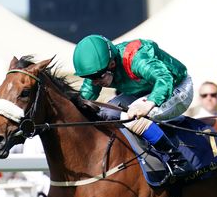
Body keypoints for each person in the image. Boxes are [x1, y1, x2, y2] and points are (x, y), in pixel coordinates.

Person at [73, 34, 194, 178]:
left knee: (129, 117)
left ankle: (177, 160)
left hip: (176, 87)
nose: (93, 82)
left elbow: (164, 79)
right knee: (105, 113)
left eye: (97, 77)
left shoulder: (136, 59)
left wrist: (149, 104)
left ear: (112, 64)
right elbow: (83, 99)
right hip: (143, 90)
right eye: (89, 78)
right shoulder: (99, 69)